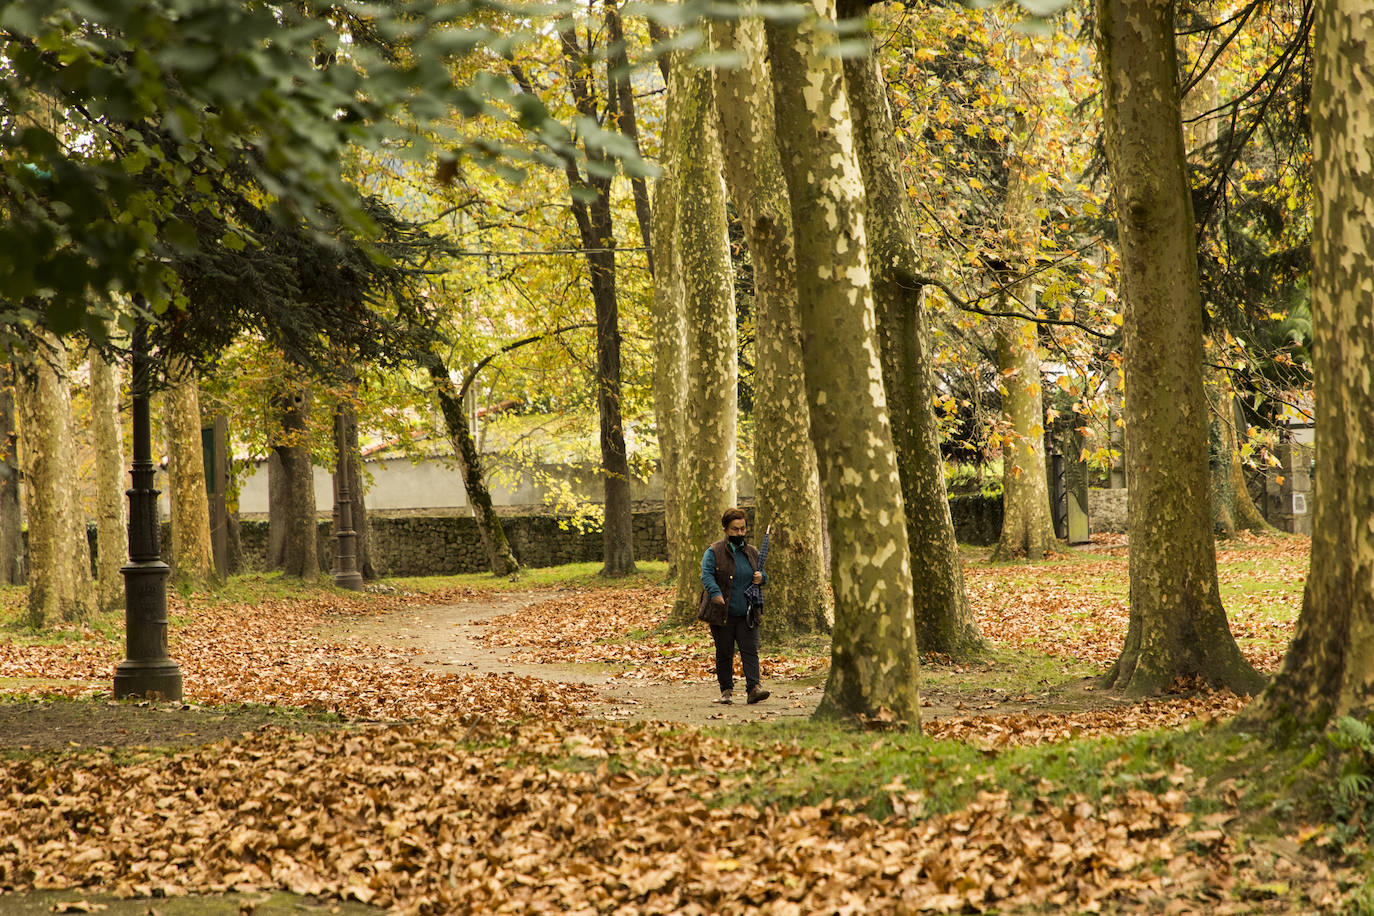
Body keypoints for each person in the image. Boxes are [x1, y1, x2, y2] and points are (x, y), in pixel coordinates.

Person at [700, 507, 770, 705]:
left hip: (748, 611)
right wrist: (715, 593)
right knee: (724, 652)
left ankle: (754, 688)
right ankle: (726, 691)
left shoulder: (752, 552)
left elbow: (762, 574)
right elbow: (706, 575)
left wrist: (761, 578)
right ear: (725, 530)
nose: (739, 533)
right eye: (735, 529)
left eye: (742, 529)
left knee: (750, 650)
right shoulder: (713, 551)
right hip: (722, 612)